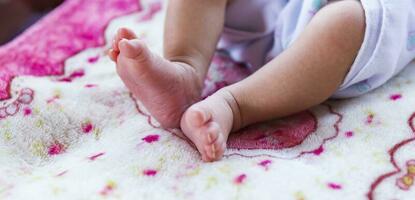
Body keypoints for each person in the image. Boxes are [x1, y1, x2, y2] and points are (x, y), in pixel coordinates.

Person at [109, 0, 415, 162]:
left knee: (346, 23)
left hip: (344, 21)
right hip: (272, 9)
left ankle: (235, 105)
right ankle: (185, 66)